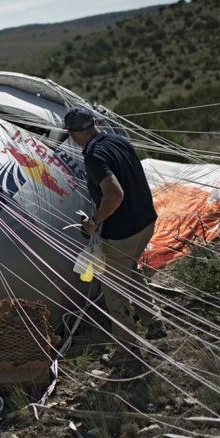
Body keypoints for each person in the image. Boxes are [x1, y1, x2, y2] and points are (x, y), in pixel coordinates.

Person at [63, 107, 167, 363]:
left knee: (113, 290)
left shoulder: (94, 157)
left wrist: (95, 222)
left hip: (124, 232)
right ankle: (154, 322)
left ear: (75, 135)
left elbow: (115, 193)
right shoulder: (118, 140)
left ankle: (126, 350)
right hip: (146, 222)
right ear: (94, 124)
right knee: (130, 269)